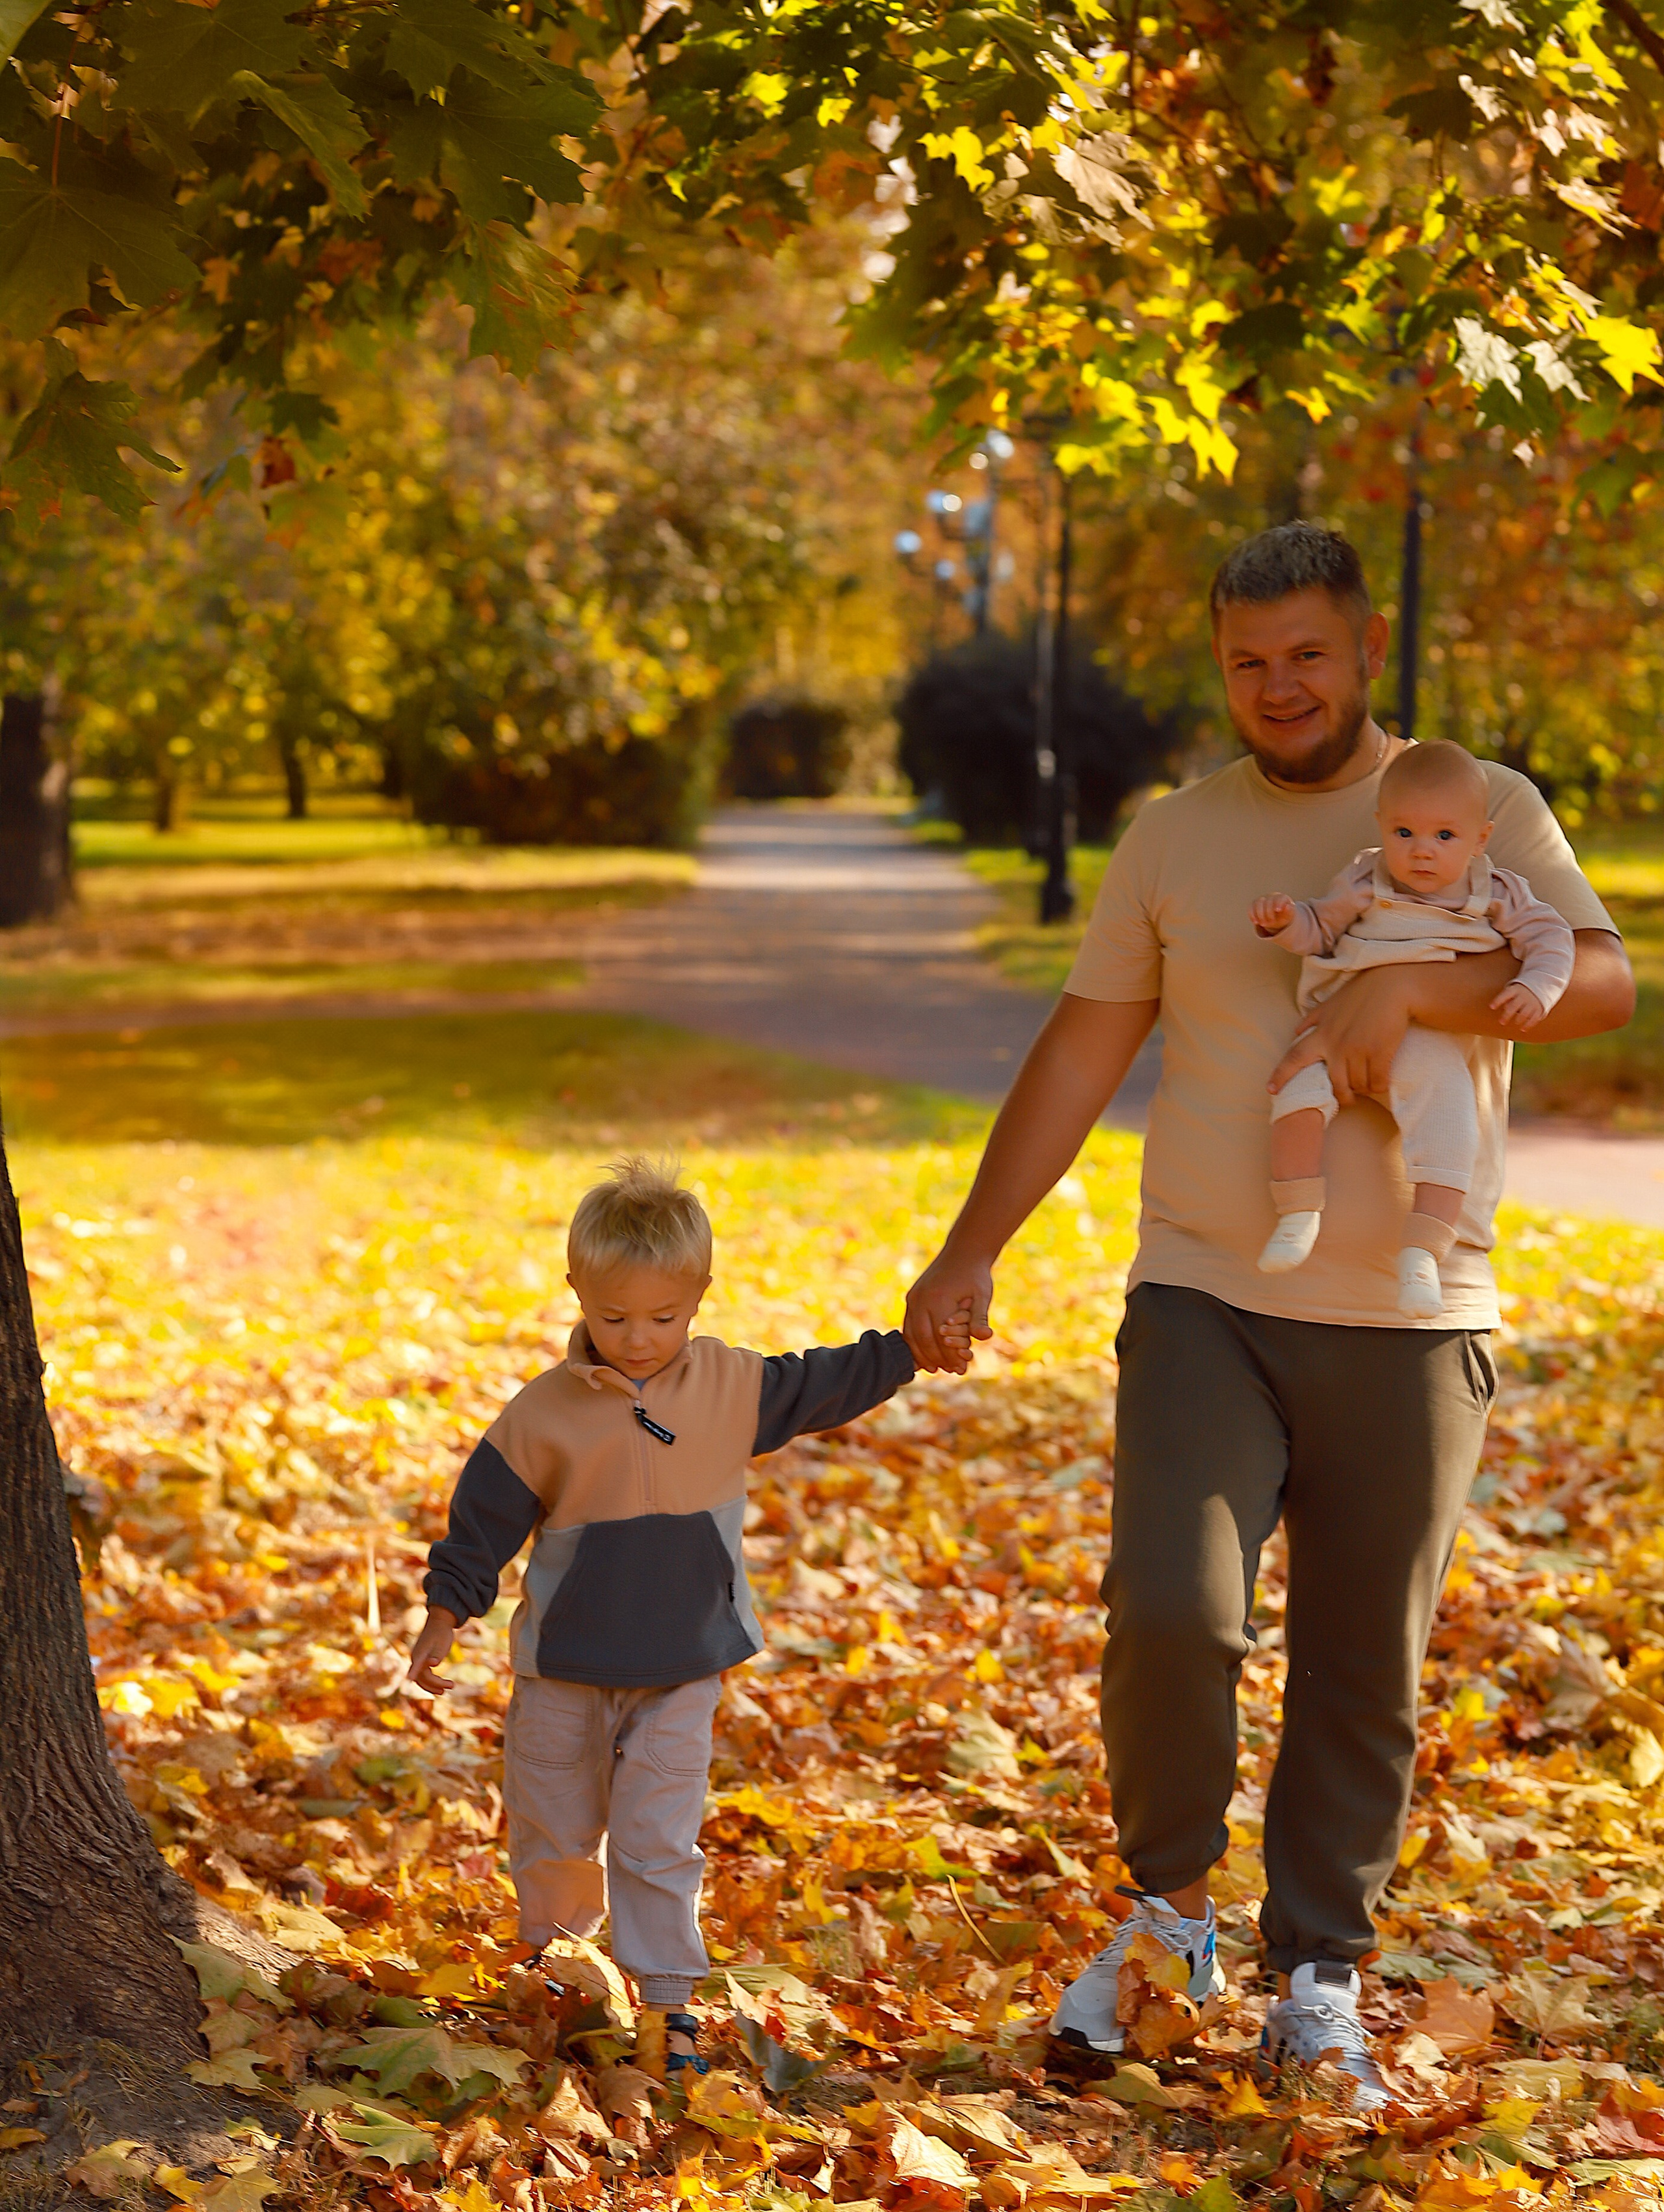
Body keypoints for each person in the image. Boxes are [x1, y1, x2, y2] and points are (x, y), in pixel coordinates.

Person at [904, 522, 1633, 2109]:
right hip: (1203, 1293)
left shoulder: (1475, 802)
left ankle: (1317, 1977)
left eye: (1304, 653)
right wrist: (971, 1247)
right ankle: (1167, 1914)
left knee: (1359, 1663)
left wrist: (1406, 993)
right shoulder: (1176, 839)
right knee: (1172, 1607)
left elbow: (1595, 980)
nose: (1276, 686)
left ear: (1361, 648)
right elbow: (1082, 1048)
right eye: (1245, 661)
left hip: (1414, 1312)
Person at [407, 1157, 946, 2073]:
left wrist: (911, 1349)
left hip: (681, 1669)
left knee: (660, 1838)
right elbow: (482, 1517)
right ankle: (559, 1972)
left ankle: (668, 2006)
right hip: (562, 1671)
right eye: (615, 1317)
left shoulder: (733, 1387)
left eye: (664, 1316)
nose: (640, 1338)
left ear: (699, 1295)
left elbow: (828, 1379)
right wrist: (445, 1612)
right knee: (554, 1829)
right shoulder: (543, 1413)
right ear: (576, 1290)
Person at [1252, 739, 1575, 1318]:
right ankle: (1298, 1212)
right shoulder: (1364, 878)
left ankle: (1423, 1253)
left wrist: (1537, 987)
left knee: (1453, 1121)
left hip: (1425, 1042)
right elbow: (1320, 930)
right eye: (1404, 834)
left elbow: (1553, 939)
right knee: (1295, 1091)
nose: (1422, 851)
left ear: (1481, 838)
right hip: (1336, 1027)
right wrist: (1284, 922)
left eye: (1444, 837)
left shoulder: (1493, 893)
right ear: (1381, 827)